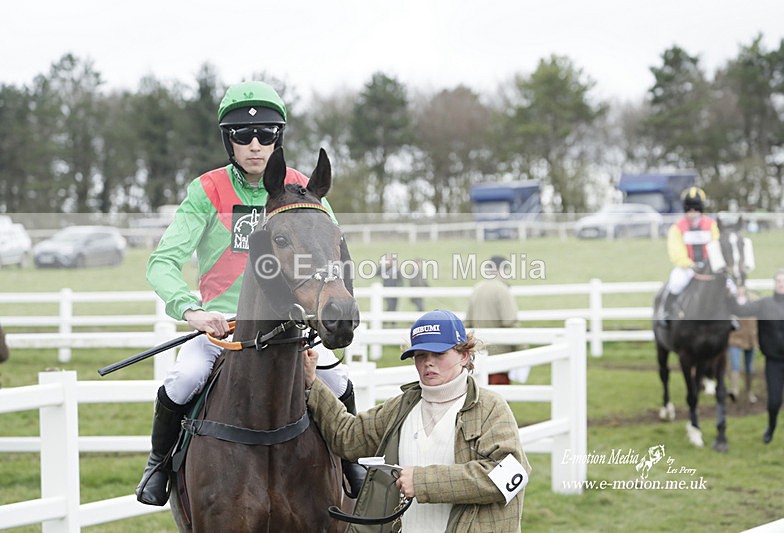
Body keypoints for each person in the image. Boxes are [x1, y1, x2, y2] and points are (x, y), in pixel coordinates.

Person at [136, 81, 363, 506]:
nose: (255, 144)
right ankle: (159, 464)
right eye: (243, 135)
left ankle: (350, 461)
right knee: (183, 380)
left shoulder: (303, 189)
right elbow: (162, 262)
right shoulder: (207, 191)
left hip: (291, 328)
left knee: (338, 378)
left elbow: (333, 251)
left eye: (267, 135)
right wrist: (193, 312)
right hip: (223, 328)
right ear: (229, 141)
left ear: (278, 139)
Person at [303, 310, 530, 532]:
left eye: (439, 354)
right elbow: (348, 437)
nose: (428, 363)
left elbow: (509, 476)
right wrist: (313, 382)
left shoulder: (491, 408)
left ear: (465, 355)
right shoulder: (401, 407)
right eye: (421, 355)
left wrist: (423, 482)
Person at [730, 269, 784, 453]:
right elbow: (739, 310)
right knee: (774, 401)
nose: (782, 284)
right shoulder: (764, 304)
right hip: (774, 362)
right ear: (775, 284)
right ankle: (771, 426)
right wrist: (731, 296)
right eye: (779, 281)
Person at [656, 186, 720, 326]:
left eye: (696, 209)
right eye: (689, 209)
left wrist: (709, 263)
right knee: (675, 283)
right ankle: (666, 313)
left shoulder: (712, 225)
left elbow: (716, 245)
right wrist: (690, 264)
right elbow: (676, 251)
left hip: (709, 267)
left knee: (729, 285)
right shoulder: (677, 228)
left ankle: (731, 316)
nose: (693, 213)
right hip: (687, 267)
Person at [465, 255, 527, 385]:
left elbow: (468, 323)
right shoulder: (502, 290)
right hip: (499, 356)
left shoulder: (477, 289)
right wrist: (522, 351)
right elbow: (510, 323)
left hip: (478, 355)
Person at [727, 310, 758, 404]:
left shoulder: (752, 304)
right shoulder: (732, 305)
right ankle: (734, 391)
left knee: (749, 367)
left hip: (750, 340)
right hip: (734, 340)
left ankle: (749, 392)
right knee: (735, 365)